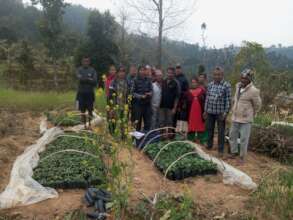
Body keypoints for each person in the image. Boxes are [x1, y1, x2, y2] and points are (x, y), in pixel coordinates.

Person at [229, 69, 262, 164]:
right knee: (232, 135)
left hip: (246, 119)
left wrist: (250, 113)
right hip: (235, 116)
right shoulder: (237, 86)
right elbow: (236, 99)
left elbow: (258, 105)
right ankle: (233, 152)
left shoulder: (254, 91)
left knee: (244, 139)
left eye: (245, 78)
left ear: (250, 79)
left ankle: (242, 157)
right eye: (242, 78)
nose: (243, 80)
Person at [203, 67, 231, 157]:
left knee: (221, 132)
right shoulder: (210, 85)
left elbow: (228, 101)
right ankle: (209, 145)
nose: (217, 76)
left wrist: (225, 113)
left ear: (222, 75)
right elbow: (207, 98)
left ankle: (220, 150)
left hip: (220, 113)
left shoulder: (226, 85)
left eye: (219, 74)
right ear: (213, 75)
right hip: (210, 112)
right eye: (215, 74)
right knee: (209, 129)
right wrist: (205, 110)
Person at [108, 66, 131, 138]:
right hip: (115, 105)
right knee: (113, 121)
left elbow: (130, 94)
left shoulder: (128, 82)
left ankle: (123, 137)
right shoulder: (113, 82)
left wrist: (129, 105)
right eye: (120, 71)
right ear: (117, 73)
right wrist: (111, 107)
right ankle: (112, 136)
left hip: (124, 105)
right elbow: (110, 95)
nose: (121, 73)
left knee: (124, 122)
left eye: (123, 71)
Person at [76, 57, 98, 129]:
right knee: (82, 111)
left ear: (89, 62)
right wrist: (89, 79)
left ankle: (90, 126)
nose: (85, 62)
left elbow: (94, 81)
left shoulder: (92, 70)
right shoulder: (79, 70)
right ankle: (84, 126)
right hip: (81, 93)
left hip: (90, 94)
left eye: (87, 61)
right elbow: (80, 79)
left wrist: (85, 79)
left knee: (90, 111)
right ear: (82, 62)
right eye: (84, 61)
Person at [159, 67, 180, 133]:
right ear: (166, 73)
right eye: (168, 73)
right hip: (162, 106)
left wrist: (174, 108)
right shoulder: (163, 81)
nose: (169, 74)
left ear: (173, 74)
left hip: (170, 107)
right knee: (162, 122)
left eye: (171, 73)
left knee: (169, 122)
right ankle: (162, 136)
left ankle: (169, 137)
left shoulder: (175, 83)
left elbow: (177, 97)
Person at [132, 66, 153, 131]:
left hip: (147, 105)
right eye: (141, 70)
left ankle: (146, 138)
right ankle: (136, 140)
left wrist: (150, 93)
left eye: (144, 70)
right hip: (138, 105)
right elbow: (132, 93)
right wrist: (140, 96)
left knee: (148, 123)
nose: (142, 72)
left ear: (146, 71)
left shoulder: (149, 80)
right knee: (137, 123)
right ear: (138, 71)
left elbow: (151, 90)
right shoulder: (135, 80)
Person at [187, 77, 207, 144]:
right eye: (192, 82)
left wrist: (205, 111)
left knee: (201, 125)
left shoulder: (202, 91)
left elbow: (206, 101)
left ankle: (202, 140)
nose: (194, 84)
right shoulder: (188, 92)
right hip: (191, 113)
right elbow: (185, 103)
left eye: (195, 82)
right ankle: (191, 139)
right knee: (191, 125)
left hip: (200, 112)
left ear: (198, 83)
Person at [174, 64, 189, 133]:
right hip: (173, 102)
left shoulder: (184, 79)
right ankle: (173, 133)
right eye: (176, 68)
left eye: (179, 68)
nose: (177, 70)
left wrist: (185, 103)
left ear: (181, 70)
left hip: (182, 102)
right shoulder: (173, 78)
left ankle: (181, 134)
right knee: (173, 118)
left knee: (181, 119)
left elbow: (187, 92)